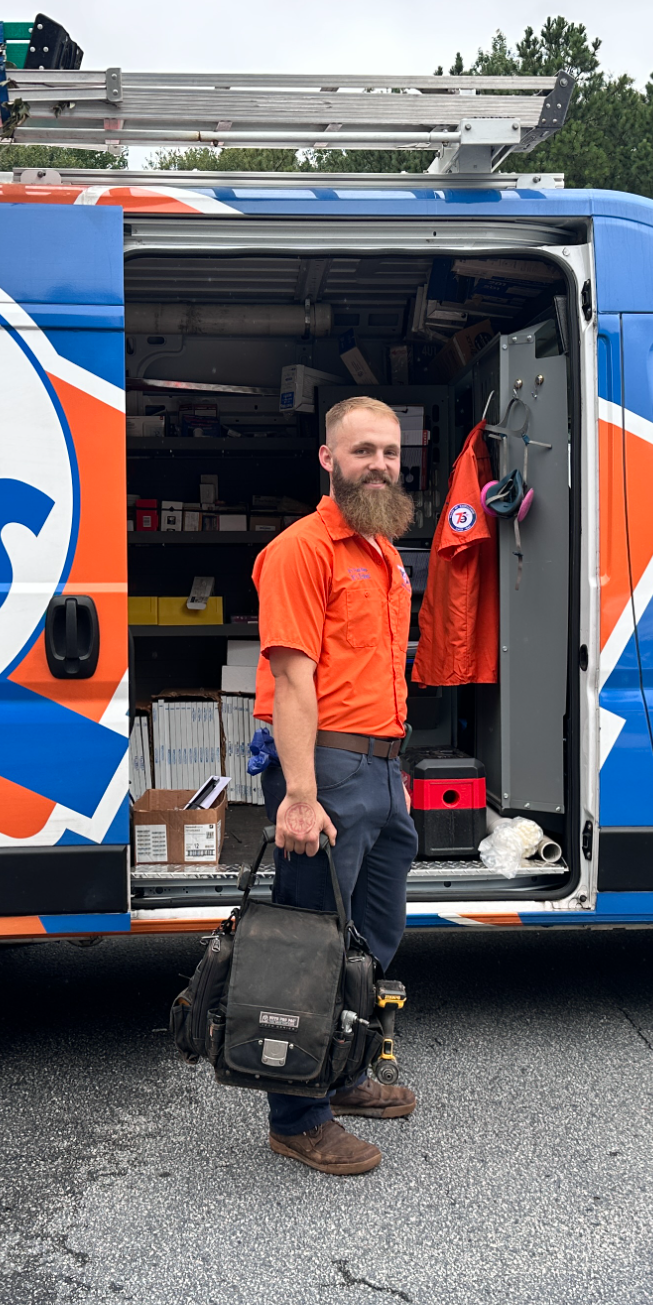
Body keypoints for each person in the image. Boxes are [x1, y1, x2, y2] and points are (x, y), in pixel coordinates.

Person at [250, 396, 420, 1176]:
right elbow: (292, 682)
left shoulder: (384, 553)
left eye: (389, 450)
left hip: (383, 768)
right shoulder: (302, 550)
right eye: (363, 451)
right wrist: (300, 793)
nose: (380, 463)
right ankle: (297, 1118)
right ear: (329, 460)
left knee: (371, 940)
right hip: (326, 770)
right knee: (310, 951)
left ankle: (344, 1072)